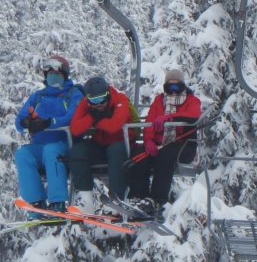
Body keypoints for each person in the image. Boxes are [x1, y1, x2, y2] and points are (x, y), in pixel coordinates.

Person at [14, 55, 84, 218]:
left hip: (63, 143)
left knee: (51, 152)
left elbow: (73, 117)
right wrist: (27, 122)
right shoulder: (38, 97)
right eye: (50, 73)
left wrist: (49, 123)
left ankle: (57, 202)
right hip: (39, 145)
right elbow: (19, 121)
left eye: (57, 74)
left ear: (65, 76)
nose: (53, 77)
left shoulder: (73, 94)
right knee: (23, 155)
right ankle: (35, 202)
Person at [130, 68, 201, 214]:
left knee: (166, 155)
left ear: (183, 86)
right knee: (138, 154)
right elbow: (150, 122)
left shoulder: (191, 100)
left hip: (183, 146)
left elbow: (193, 115)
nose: (173, 91)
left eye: (177, 87)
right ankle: (139, 195)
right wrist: (148, 141)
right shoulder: (159, 101)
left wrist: (171, 118)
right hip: (159, 144)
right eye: (170, 87)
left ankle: (157, 199)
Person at [68, 75, 132, 208]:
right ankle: (85, 198)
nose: (99, 104)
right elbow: (75, 129)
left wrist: (97, 121)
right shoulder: (86, 105)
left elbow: (114, 126)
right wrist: (92, 116)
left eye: (102, 99)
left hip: (120, 144)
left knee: (116, 151)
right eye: (94, 100)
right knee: (78, 150)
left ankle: (117, 198)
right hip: (100, 145)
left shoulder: (120, 100)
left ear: (108, 94)